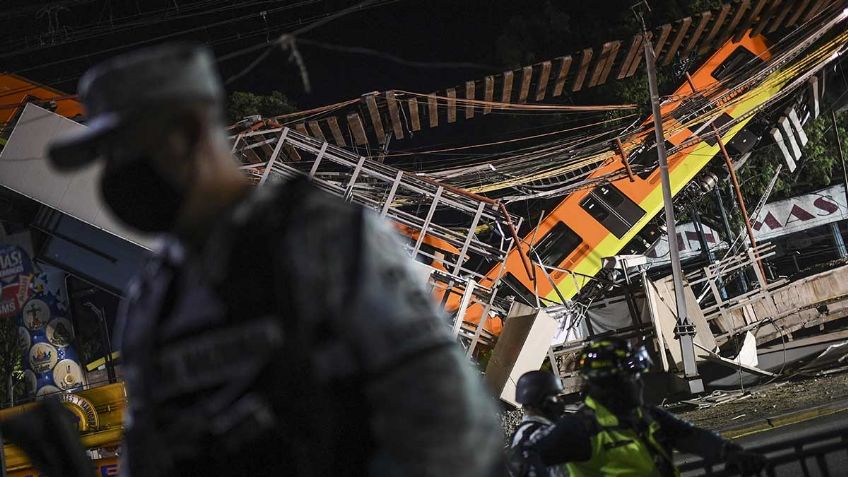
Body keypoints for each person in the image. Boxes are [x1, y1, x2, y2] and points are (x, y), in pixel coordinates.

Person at [47, 43, 503, 477]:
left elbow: (453, 428)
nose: (114, 176)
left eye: (125, 150)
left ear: (185, 133)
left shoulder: (323, 238)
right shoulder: (153, 300)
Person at [515, 337, 766, 477]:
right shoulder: (582, 428)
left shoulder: (645, 416)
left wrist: (729, 452)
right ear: (609, 384)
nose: (639, 384)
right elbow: (522, 459)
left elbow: (690, 437)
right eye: (631, 378)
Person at [507, 371, 568, 477]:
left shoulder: (528, 432)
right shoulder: (537, 435)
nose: (560, 400)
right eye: (556, 396)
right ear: (540, 400)